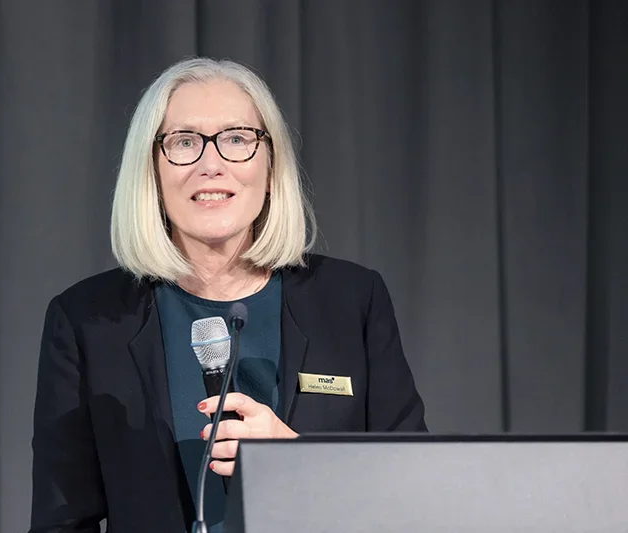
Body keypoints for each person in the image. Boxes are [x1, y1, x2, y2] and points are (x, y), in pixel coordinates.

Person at [28, 56, 427, 533]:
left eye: (237, 139)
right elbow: (61, 520)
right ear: (150, 169)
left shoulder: (353, 300)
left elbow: (412, 495)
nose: (211, 165)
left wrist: (298, 465)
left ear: (270, 160)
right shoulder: (87, 320)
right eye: (184, 142)